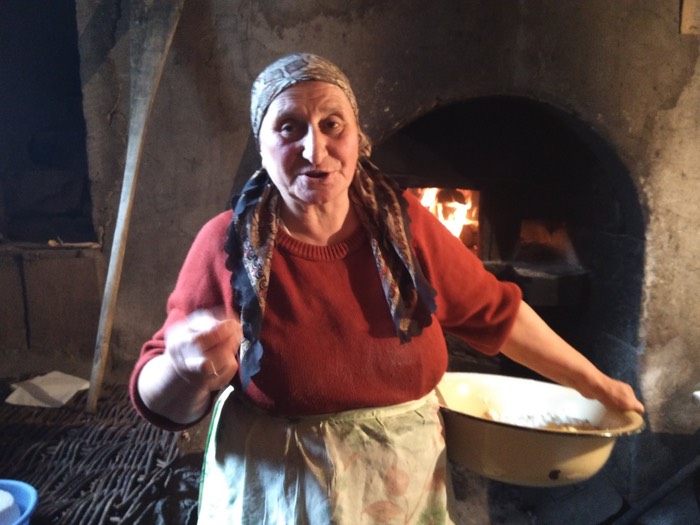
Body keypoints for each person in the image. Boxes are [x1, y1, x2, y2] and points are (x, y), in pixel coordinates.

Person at [130, 53, 644, 524]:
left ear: (358, 139)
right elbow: (161, 404)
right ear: (262, 148)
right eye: (289, 128)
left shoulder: (407, 229)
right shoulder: (227, 244)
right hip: (286, 497)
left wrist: (595, 384)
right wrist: (183, 370)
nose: (316, 148)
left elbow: (496, 315)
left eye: (333, 124)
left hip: (404, 492)